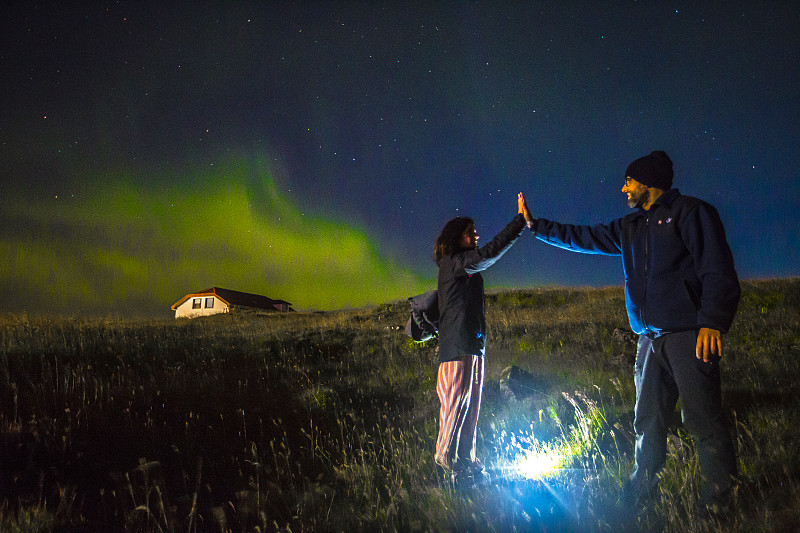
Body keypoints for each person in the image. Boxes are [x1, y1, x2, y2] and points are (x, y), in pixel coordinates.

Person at [520, 151, 740, 515]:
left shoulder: (690, 212)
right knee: (647, 421)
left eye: (629, 181)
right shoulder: (631, 227)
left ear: (648, 182)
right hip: (648, 341)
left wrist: (713, 321)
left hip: (688, 335)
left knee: (702, 419)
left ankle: (718, 502)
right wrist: (535, 226)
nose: (623, 188)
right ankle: (641, 490)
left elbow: (716, 268)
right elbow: (584, 237)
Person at [433, 193, 529, 484]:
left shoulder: (464, 266)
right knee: (454, 407)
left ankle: (466, 462)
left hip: (473, 346)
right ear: (456, 238)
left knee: (471, 408)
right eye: (469, 232)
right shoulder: (453, 263)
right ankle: (443, 464)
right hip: (456, 347)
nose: (475, 235)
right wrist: (519, 222)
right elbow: (489, 253)